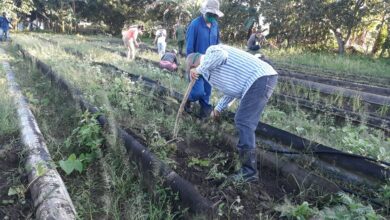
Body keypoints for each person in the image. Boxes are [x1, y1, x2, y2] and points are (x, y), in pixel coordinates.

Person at [187, 44, 278, 183]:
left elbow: (221, 55)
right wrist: (218, 108)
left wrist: (198, 69)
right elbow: (232, 91)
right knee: (243, 120)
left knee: (244, 121)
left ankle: (249, 172)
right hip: (259, 80)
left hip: (261, 77)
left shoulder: (211, 52)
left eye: (191, 69)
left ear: (194, 63)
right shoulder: (209, 73)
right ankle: (247, 168)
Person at [185, 0, 223, 118]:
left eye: (214, 15)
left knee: (207, 92)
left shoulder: (215, 25)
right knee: (197, 92)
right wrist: (191, 67)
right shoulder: (195, 24)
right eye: (210, 15)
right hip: (196, 64)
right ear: (205, 12)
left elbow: (217, 44)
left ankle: (203, 114)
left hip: (210, 65)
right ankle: (188, 99)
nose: (212, 17)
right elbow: (190, 47)